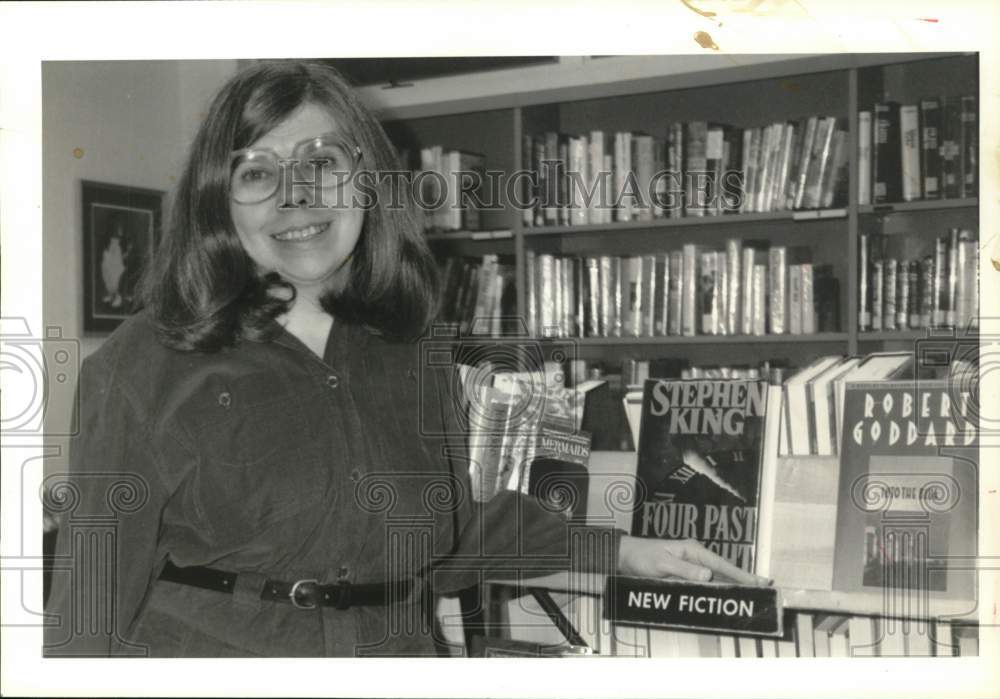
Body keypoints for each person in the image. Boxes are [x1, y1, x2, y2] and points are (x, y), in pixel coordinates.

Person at [44, 60, 767, 658]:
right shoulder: (147, 359)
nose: (297, 196)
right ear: (220, 201)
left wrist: (622, 551)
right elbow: (87, 609)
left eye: (321, 162)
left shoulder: (413, 347)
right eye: (257, 173)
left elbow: (446, 536)